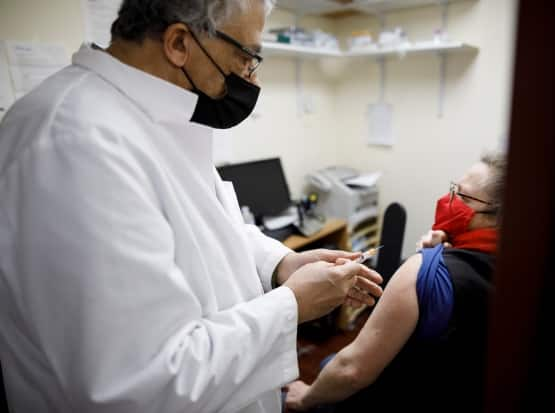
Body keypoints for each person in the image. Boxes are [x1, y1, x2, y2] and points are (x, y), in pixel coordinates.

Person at [0, 1, 383, 412]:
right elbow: (141, 384)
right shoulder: (74, 142)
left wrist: (280, 264)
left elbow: (210, 227)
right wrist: (292, 304)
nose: (252, 78)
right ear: (179, 43)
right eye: (246, 57)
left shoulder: (157, 118)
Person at [285, 152, 507, 412]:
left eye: (461, 196)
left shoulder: (421, 271)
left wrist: (305, 397)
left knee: (327, 367)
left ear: (497, 215)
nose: (449, 200)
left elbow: (351, 370)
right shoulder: (529, 273)